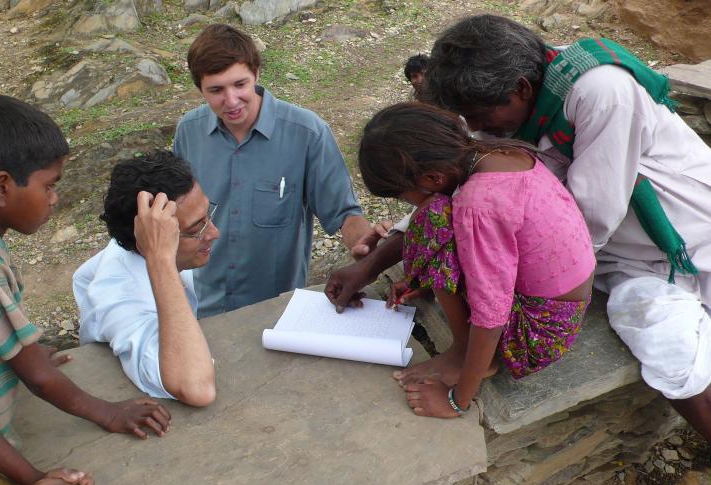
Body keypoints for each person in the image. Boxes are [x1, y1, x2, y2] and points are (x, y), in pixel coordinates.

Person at [330, 14, 711, 438]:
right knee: (671, 352)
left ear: (522, 90)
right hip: (618, 260)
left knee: (674, 353)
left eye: (477, 117)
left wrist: (455, 269)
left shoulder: (603, 93)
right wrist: (375, 264)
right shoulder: (499, 106)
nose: (474, 129)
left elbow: (585, 220)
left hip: (685, 236)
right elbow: (449, 182)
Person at [0, 95, 170, 485]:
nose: (54, 198)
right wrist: (107, 413)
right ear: (1, 187)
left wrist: (12, 351)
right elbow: (38, 377)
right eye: (48, 185)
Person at [356, 102, 595, 417]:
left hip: (534, 335)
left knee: (431, 219)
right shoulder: (496, 154)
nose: (408, 202)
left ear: (431, 177)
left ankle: (462, 353)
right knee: (437, 218)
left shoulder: (476, 203)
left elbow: (491, 310)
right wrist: (426, 281)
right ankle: (463, 345)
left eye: (404, 196)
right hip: (562, 314)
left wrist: (458, 400)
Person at [173, 24, 374, 318]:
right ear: (200, 88)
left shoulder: (308, 133)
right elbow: (174, 214)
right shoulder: (188, 132)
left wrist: (366, 250)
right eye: (216, 90)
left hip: (276, 310)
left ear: (256, 73)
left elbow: (344, 213)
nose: (231, 101)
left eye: (240, 84)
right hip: (204, 307)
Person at [73, 152, 217, 407]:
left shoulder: (166, 246)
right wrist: (160, 258)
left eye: (208, 216)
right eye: (197, 228)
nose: (214, 232)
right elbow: (197, 389)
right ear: (151, 239)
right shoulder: (120, 296)